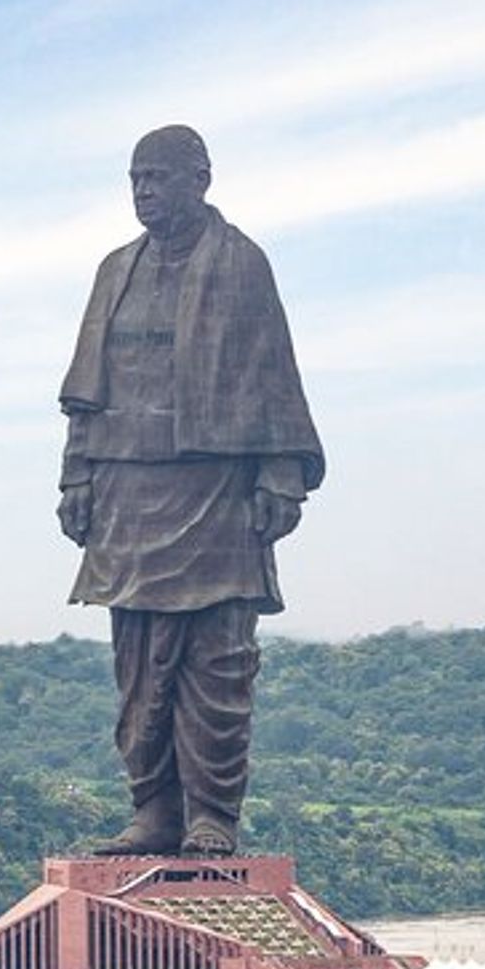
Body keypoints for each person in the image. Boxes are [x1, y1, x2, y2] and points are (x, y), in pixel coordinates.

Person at [58, 125, 324, 857]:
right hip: (125, 488)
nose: (144, 192)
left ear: (199, 180)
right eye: (135, 180)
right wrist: (76, 475)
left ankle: (212, 813)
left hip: (216, 489)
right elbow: (84, 392)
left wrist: (279, 474)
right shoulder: (115, 270)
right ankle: (154, 810)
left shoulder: (241, 263)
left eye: (158, 178)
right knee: (139, 663)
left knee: (218, 658)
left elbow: (273, 374)